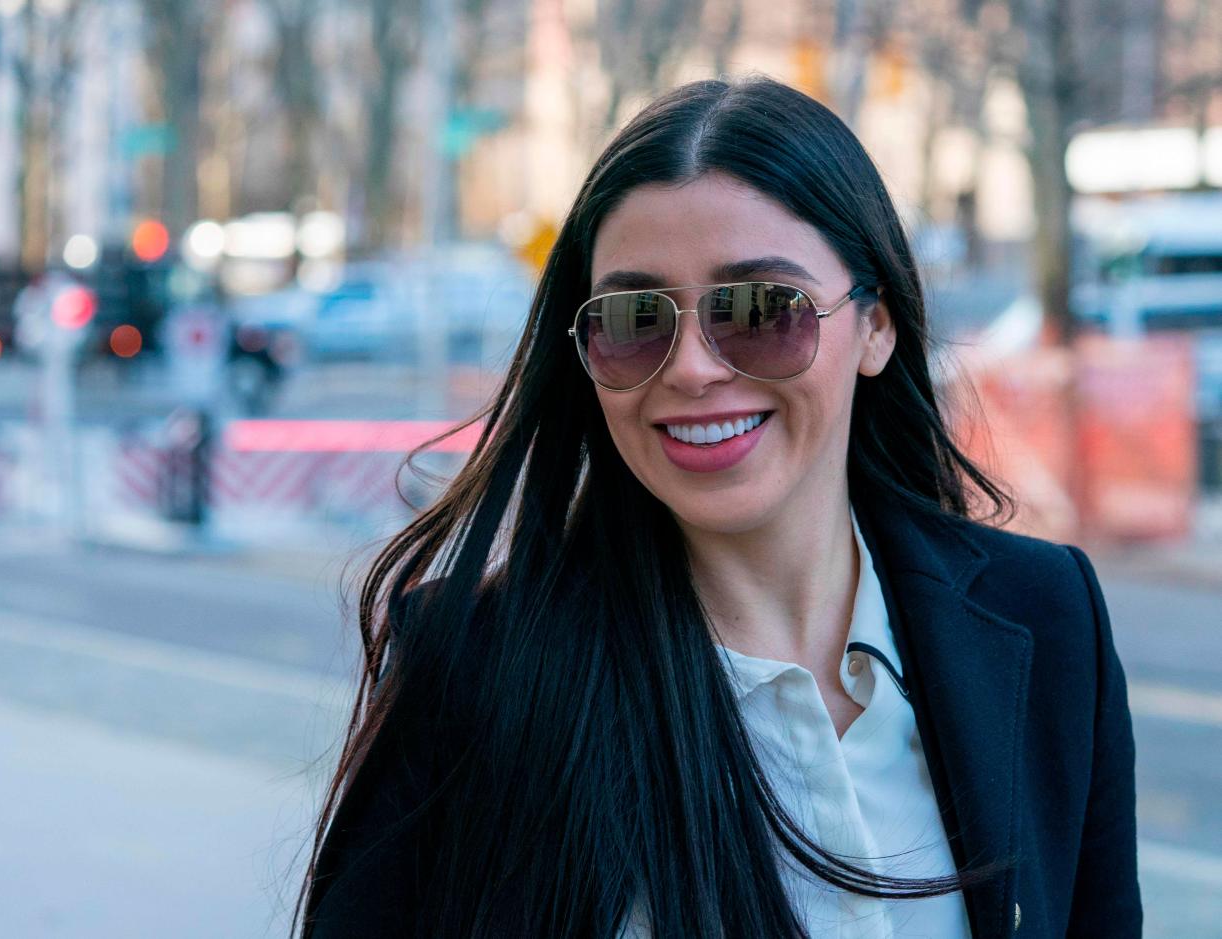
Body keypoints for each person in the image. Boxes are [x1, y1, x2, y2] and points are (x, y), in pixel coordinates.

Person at [296, 77, 1140, 938]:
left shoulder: (1046, 618)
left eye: (760, 310)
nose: (693, 368)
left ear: (876, 326)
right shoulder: (476, 674)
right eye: (634, 318)